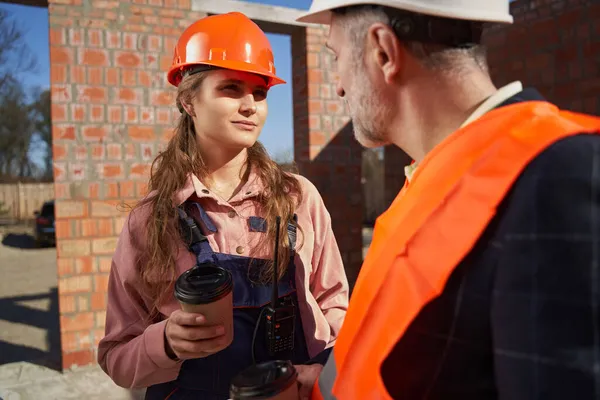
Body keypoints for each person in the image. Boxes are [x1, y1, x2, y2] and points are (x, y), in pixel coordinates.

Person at [296, 1, 600, 399]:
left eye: (335, 57)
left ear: (383, 52)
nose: (337, 86)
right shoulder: (431, 176)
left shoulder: (560, 176)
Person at [97, 12, 349, 400]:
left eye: (260, 92)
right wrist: (164, 342)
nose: (251, 105)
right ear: (189, 102)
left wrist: (325, 369)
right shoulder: (151, 220)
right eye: (231, 88)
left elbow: (336, 307)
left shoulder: (299, 199)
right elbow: (116, 357)